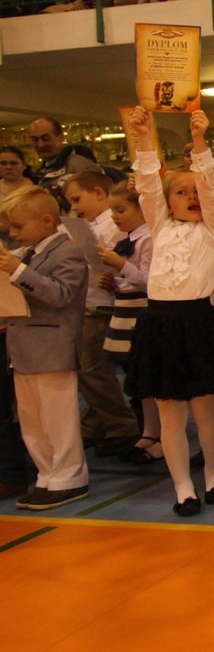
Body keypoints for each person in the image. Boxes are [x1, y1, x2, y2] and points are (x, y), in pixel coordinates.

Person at [124, 107, 214, 516]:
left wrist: (202, 143)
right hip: (160, 324)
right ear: (168, 202)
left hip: (199, 321)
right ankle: (182, 486)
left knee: (205, 407)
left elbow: (209, 189)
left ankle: (212, 472)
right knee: (170, 414)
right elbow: (149, 188)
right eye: (180, 192)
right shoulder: (160, 224)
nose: (191, 197)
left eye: (195, 192)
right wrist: (143, 136)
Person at [0, 186, 89, 510]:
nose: (12, 233)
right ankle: (47, 476)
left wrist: (18, 271)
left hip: (53, 347)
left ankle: (70, 477)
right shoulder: (28, 253)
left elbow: (61, 295)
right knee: (32, 420)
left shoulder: (68, 251)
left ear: (47, 220)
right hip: (22, 347)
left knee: (58, 420)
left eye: (19, 227)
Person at [63, 171, 141, 456]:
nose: (74, 207)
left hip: (109, 304)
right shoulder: (87, 224)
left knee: (93, 368)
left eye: (76, 199)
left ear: (98, 193)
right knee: (90, 370)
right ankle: (100, 422)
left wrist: (111, 267)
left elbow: (127, 264)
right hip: (94, 300)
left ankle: (121, 425)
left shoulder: (114, 225)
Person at [98, 181, 161, 465]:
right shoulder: (128, 237)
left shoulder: (148, 238)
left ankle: (157, 435)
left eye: (121, 209)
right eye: (112, 211)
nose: (115, 216)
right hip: (125, 309)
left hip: (142, 311)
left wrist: (121, 266)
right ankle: (148, 431)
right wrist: (114, 282)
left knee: (151, 375)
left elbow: (151, 281)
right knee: (137, 378)